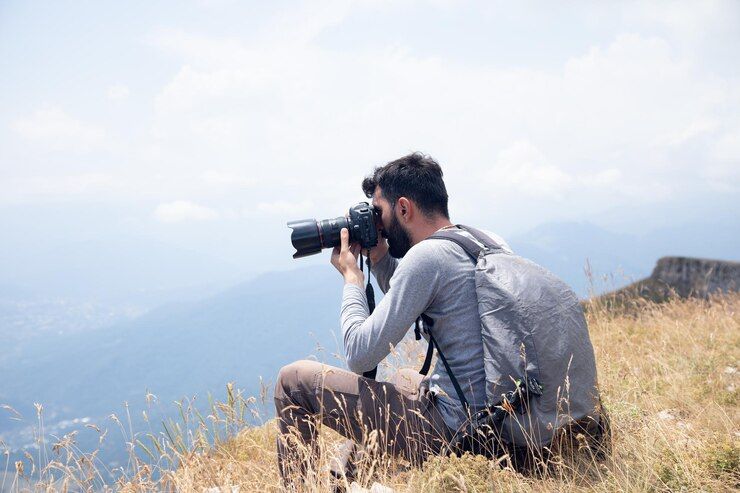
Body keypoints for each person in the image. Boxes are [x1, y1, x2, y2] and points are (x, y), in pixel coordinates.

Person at [274, 152, 602, 486]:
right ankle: (349, 475)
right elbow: (422, 295)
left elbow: (359, 356)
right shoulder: (481, 241)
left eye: (380, 212)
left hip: (465, 435)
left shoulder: (426, 257)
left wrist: (352, 280)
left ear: (404, 208)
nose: (380, 225)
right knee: (405, 378)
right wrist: (381, 259)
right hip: (511, 421)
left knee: (292, 381)